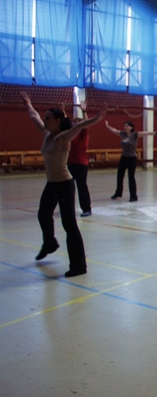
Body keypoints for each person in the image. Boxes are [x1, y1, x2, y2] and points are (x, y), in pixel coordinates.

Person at [20, 92, 106, 277]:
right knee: (43, 214)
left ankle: (79, 266)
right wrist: (28, 103)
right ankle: (49, 243)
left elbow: (81, 125)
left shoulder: (63, 138)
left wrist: (98, 117)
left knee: (69, 225)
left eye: (48, 118)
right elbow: (34, 116)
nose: (44, 120)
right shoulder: (47, 134)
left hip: (64, 184)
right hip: (52, 184)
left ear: (58, 121)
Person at [104, 120, 157, 202]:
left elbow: (145, 133)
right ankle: (118, 193)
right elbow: (114, 130)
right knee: (119, 176)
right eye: (124, 126)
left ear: (131, 127)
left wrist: (156, 133)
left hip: (132, 158)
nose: (125, 127)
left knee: (131, 177)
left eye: (127, 126)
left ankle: (133, 196)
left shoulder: (135, 134)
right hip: (123, 158)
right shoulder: (123, 134)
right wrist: (107, 126)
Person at [67, 102, 92, 217]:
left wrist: (84, 111)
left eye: (78, 121)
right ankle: (68, 209)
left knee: (81, 187)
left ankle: (86, 209)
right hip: (70, 164)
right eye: (74, 121)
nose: (75, 123)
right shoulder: (68, 135)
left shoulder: (82, 135)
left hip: (81, 165)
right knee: (68, 188)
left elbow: (86, 124)